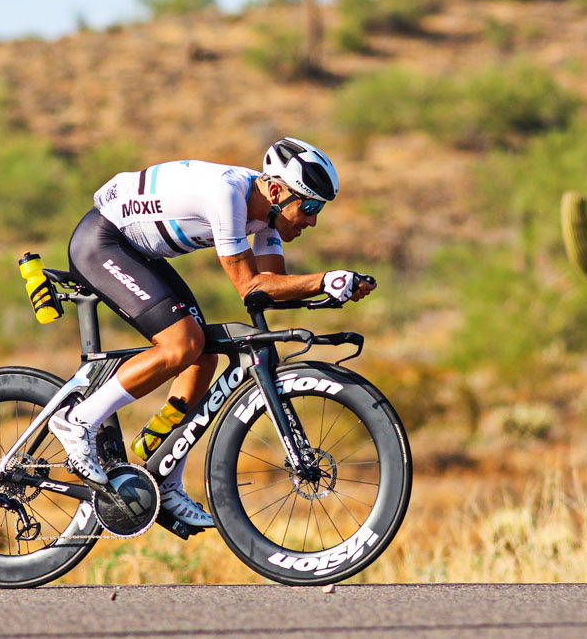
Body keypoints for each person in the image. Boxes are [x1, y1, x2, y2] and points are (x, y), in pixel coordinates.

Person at [47, 138, 376, 528]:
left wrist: (330, 290)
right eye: (308, 206)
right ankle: (78, 420)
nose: (312, 220)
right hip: (102, 242)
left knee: (203, 356)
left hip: (137, 252)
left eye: (318, 209)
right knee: (181, 343)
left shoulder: (267, 216)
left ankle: (164, 478)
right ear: (275, 190)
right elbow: (250, 287)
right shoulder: (228, 195)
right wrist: (324, 279)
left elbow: (272, 286)